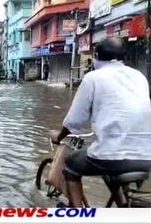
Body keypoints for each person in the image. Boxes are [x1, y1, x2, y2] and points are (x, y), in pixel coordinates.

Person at [51, 38, 151, 207]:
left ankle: (78, 213)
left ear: (96, 56)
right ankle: (121, 205)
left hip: (111, 154)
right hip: (146, 155)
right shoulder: (139, 76)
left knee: (71, 166)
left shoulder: (93, 78)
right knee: (107, 163)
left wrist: (59, 137)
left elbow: (74, 120)